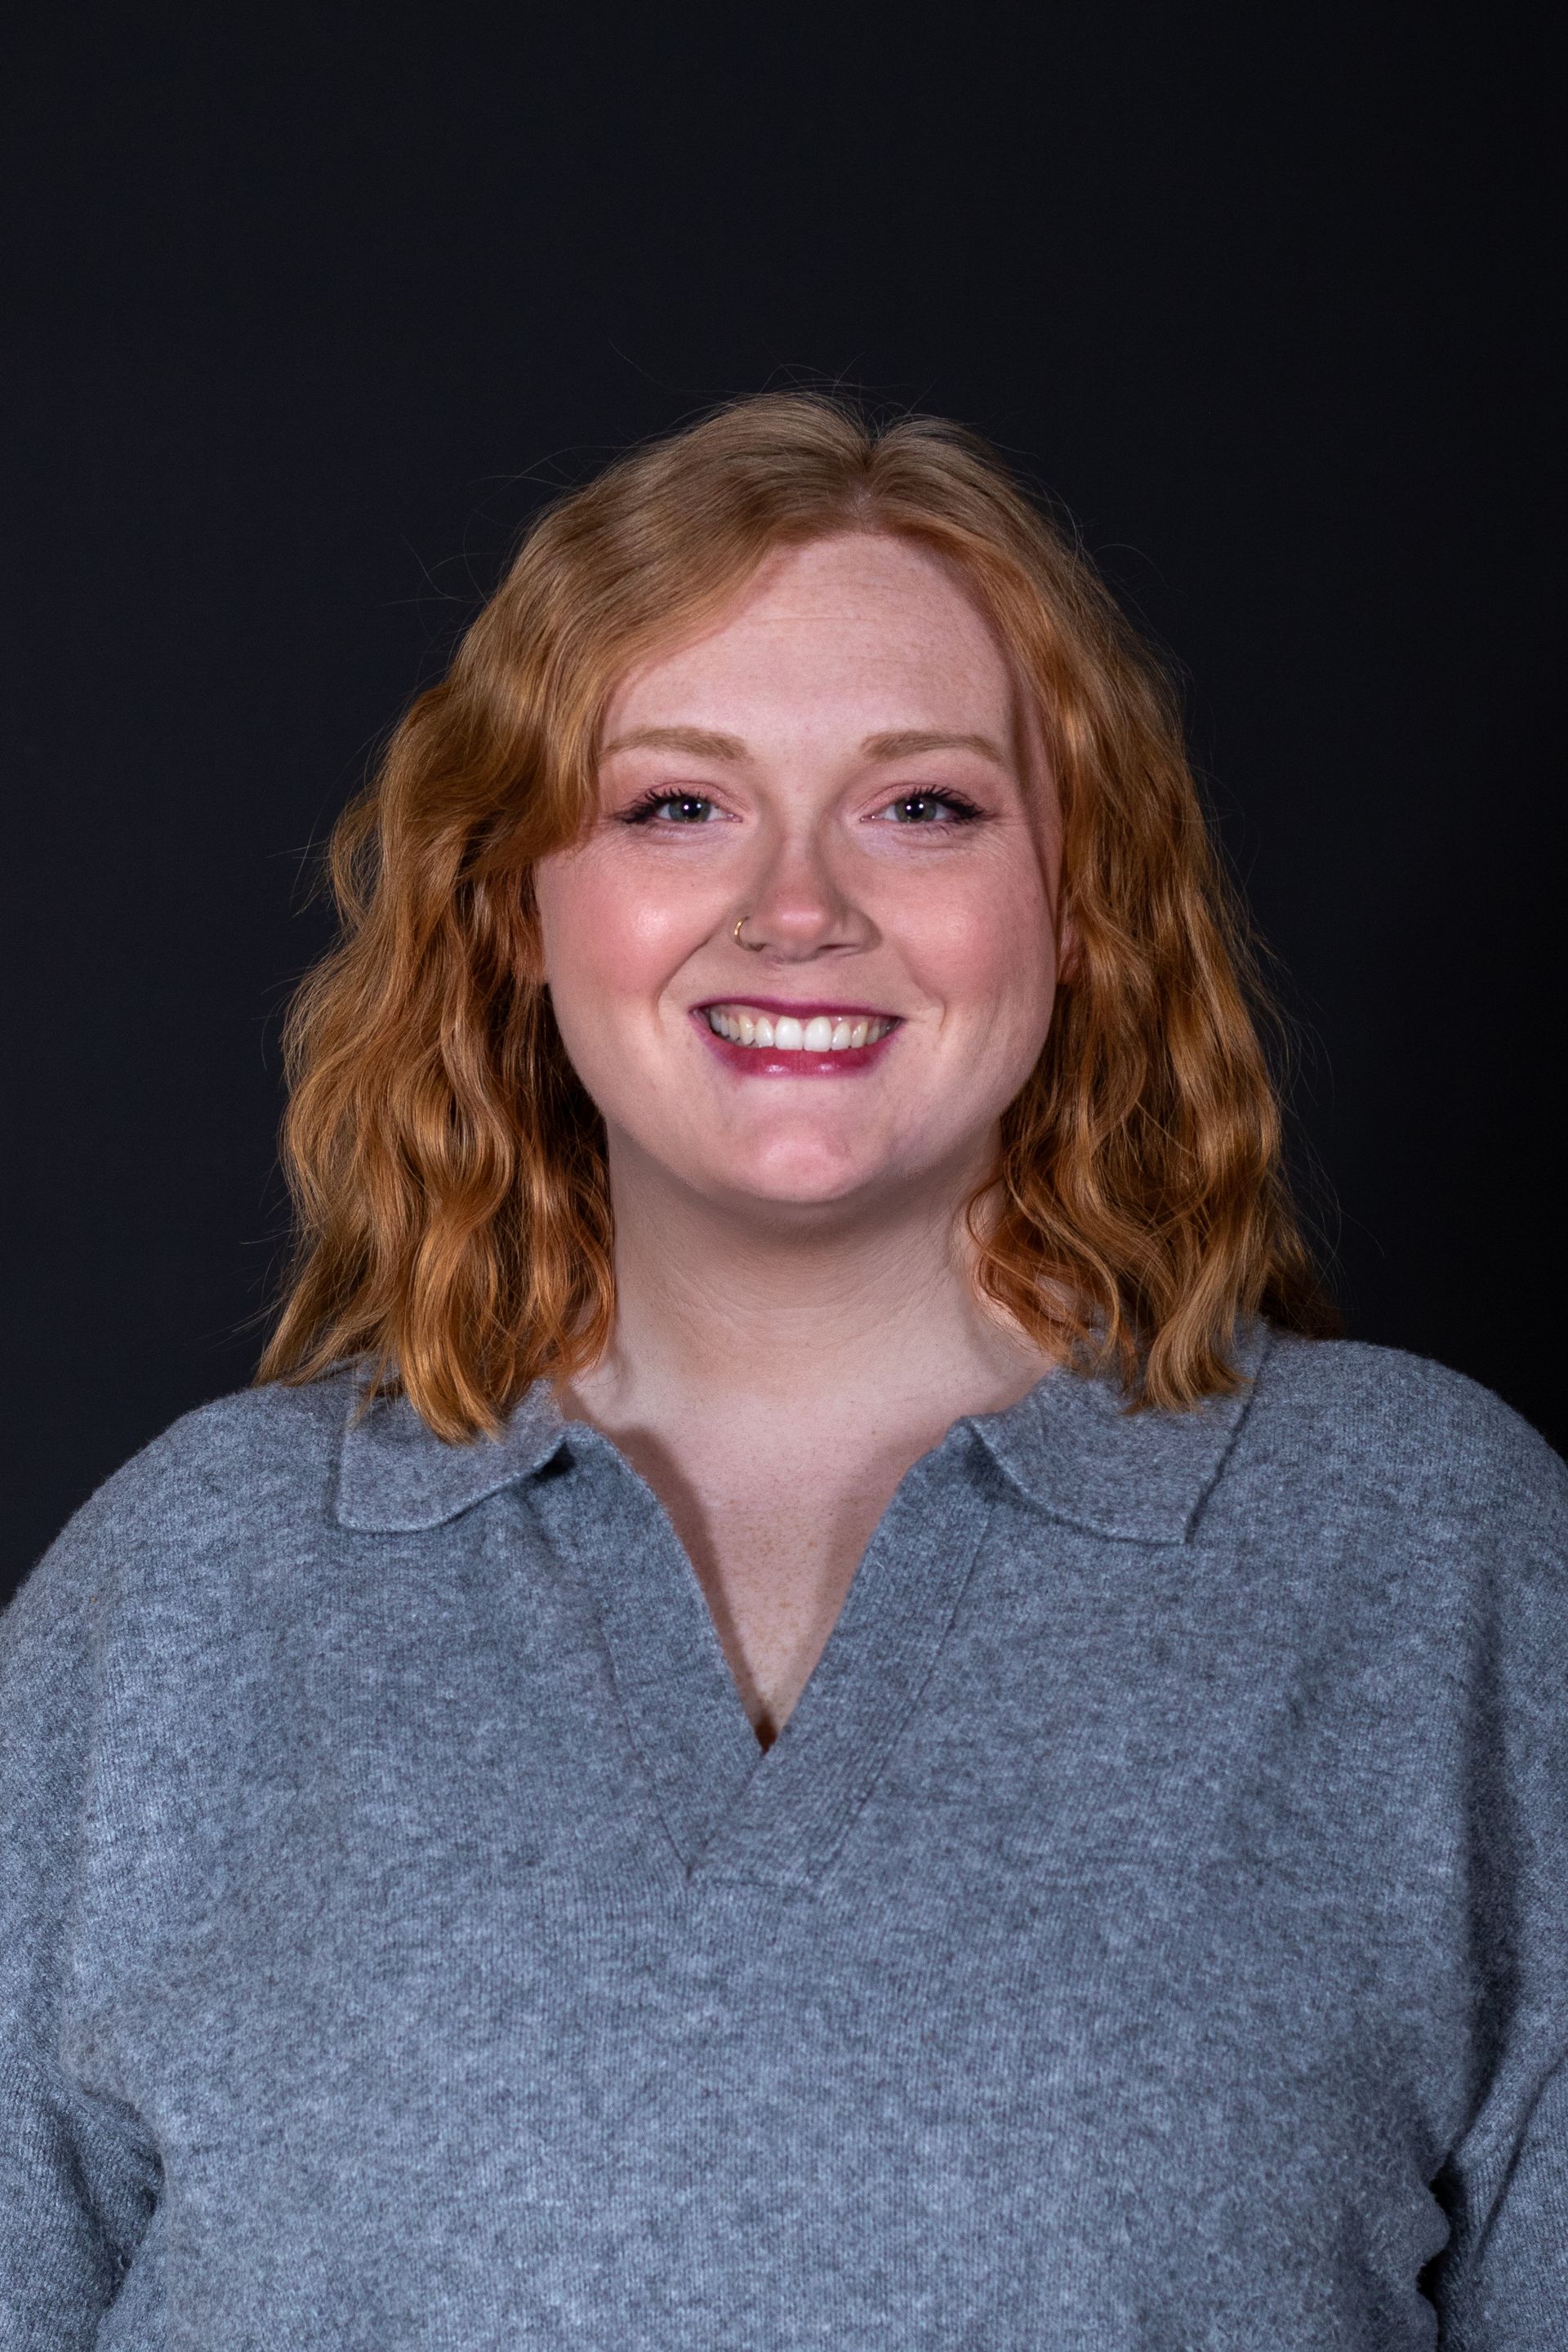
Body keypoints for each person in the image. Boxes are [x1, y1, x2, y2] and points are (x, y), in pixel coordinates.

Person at [2, 393, 1563, 2350]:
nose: (801, 910)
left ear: (1079, 907)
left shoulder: (1431, 1559)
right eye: (678, 805)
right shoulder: (187, 1594)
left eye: (924, 805)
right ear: (511, 909)